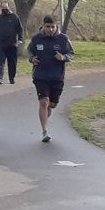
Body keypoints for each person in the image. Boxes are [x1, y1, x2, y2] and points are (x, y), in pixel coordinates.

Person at [28, 15, 75, 143]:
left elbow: (72, 54)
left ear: (56, 26)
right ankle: (44, 131)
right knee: (43, 102)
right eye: (48, 27)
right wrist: (32, 59)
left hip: (57, 77)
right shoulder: (37, 38)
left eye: (53, 27)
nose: (50, 29)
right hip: (40, 76)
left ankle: (46, 114)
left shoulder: (63, 39)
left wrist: (64, 58)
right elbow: (30, 51)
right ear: (43, 26)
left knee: (51, 105)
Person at [0, 2, 24, 84]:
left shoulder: (14, 17)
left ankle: (11, 78)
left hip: (12, 43)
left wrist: (20, 39)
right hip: (1, 44)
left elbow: (20, 29)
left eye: (5, 8)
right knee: (1, 61)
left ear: (8, 7)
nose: (4, 9)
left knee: (12, 62)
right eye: (2, 8)